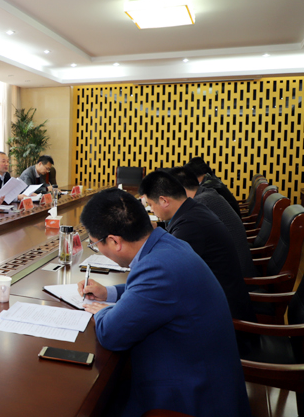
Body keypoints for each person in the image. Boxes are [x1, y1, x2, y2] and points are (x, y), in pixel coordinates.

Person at [77, 188, 251, 417]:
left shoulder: (158, 268)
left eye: (95, 244)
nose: (98, 249)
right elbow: (149, 292)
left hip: (192, 399)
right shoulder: (166, 243)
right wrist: (108, 293)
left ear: (114, 241)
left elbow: (111, 334)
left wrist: (99, 312)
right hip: (201, 373)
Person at [139, 171, 256, 324]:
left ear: (164, 200)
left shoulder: (191, 225)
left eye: (150, 205)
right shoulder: (193, 210)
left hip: (223, 317)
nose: (152, 210)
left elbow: (164, 271)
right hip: (218, 301)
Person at [167, 166, 258, 279]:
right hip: (234, 267)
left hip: (234, 275)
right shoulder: (206, 194)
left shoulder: (200, 203)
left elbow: (178, 249)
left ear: (179, 189)